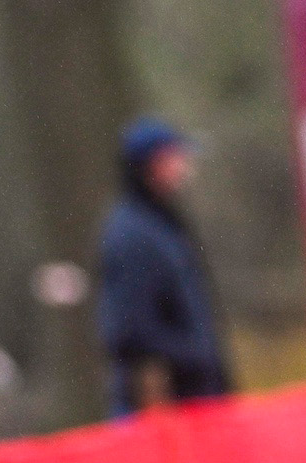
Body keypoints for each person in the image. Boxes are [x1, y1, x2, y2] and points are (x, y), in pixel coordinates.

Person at [97, 117, 234, 416]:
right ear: (151, 165)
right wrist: (195, 356)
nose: (184, 166)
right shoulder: (131, 234)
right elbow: (130, 329)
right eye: (174, 157)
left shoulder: (160, 223)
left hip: (197, 400)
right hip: (167, 409)